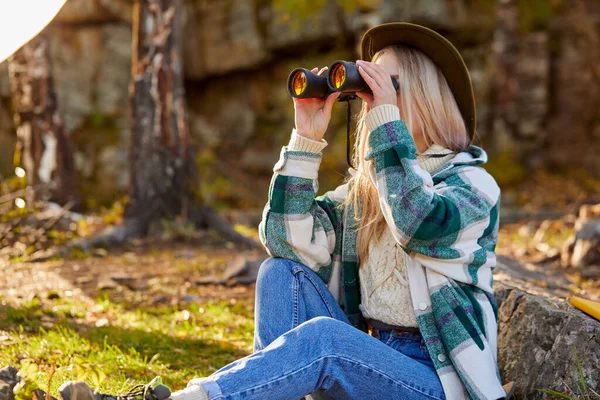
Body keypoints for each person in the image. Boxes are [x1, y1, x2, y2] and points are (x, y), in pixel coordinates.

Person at [62, 22, 512, 400]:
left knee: (327, 340)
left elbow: (418, 221)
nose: (372, 103)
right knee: (279, 273)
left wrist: (387, 123)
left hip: (437, 382)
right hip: (373, 358)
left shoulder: (472, 186)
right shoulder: (368, 192)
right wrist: (307, 138)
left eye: (385, 88)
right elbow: (285, 242)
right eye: (367, 91)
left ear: (425, 97)